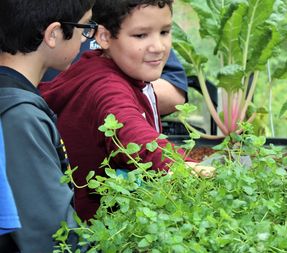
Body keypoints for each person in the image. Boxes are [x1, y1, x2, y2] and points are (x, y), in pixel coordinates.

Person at [39, 0, 214, 222]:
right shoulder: (106, 86)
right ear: (103, 37)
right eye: (141, 36)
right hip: (93, 233)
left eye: (164, 32)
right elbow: (132, 134)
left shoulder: (110, 69)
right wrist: (186, 167)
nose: (158, 46)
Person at [0, 0, 95, 251]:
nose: (86, 38)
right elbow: (52, 236)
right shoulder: (20, 116)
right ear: (53, 34)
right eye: (85, 27)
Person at [42, 41, 188, 116]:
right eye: (139, 35)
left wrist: (111, 93)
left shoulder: (126, 10)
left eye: (165, 32)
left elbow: (175, 95)